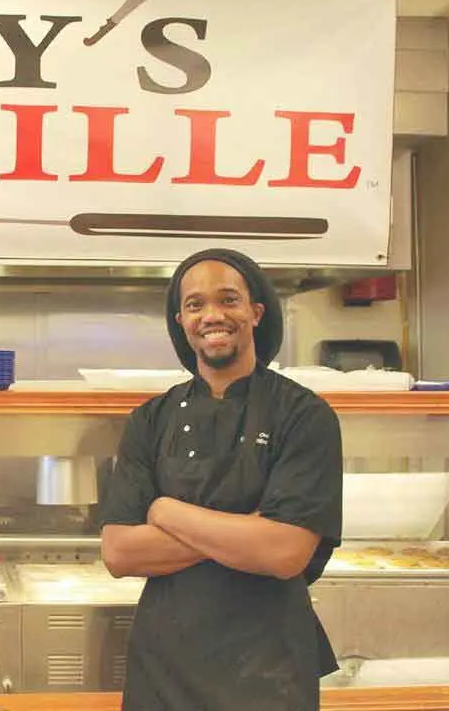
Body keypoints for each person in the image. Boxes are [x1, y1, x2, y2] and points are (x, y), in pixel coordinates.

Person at [100, 248, 343, 711]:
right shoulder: (150, 419)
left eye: (228, 299)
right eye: (195, 305)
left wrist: (165, 511)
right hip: (163, 668)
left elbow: (284, 552)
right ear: (181, 321)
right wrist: (247, 529)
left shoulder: (304, 414)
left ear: (254, 313)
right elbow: (120, 551)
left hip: (268, 670)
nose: (212, 315)